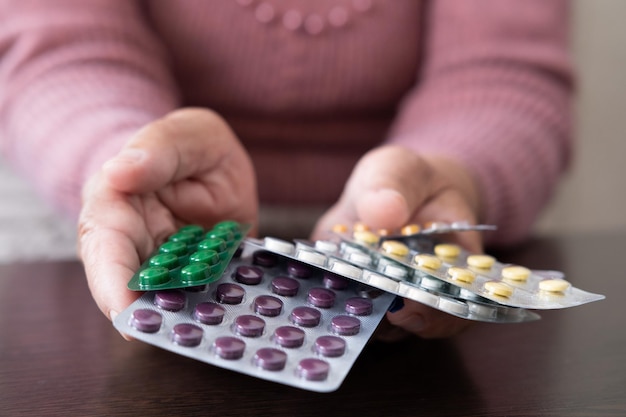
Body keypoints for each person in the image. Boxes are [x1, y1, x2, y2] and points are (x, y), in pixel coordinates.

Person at [0, 0, 573, 339]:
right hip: (123, 206)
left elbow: (505, 72)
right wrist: (128, 160)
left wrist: (444, 175)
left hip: (381, 225)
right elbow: (56, 46)